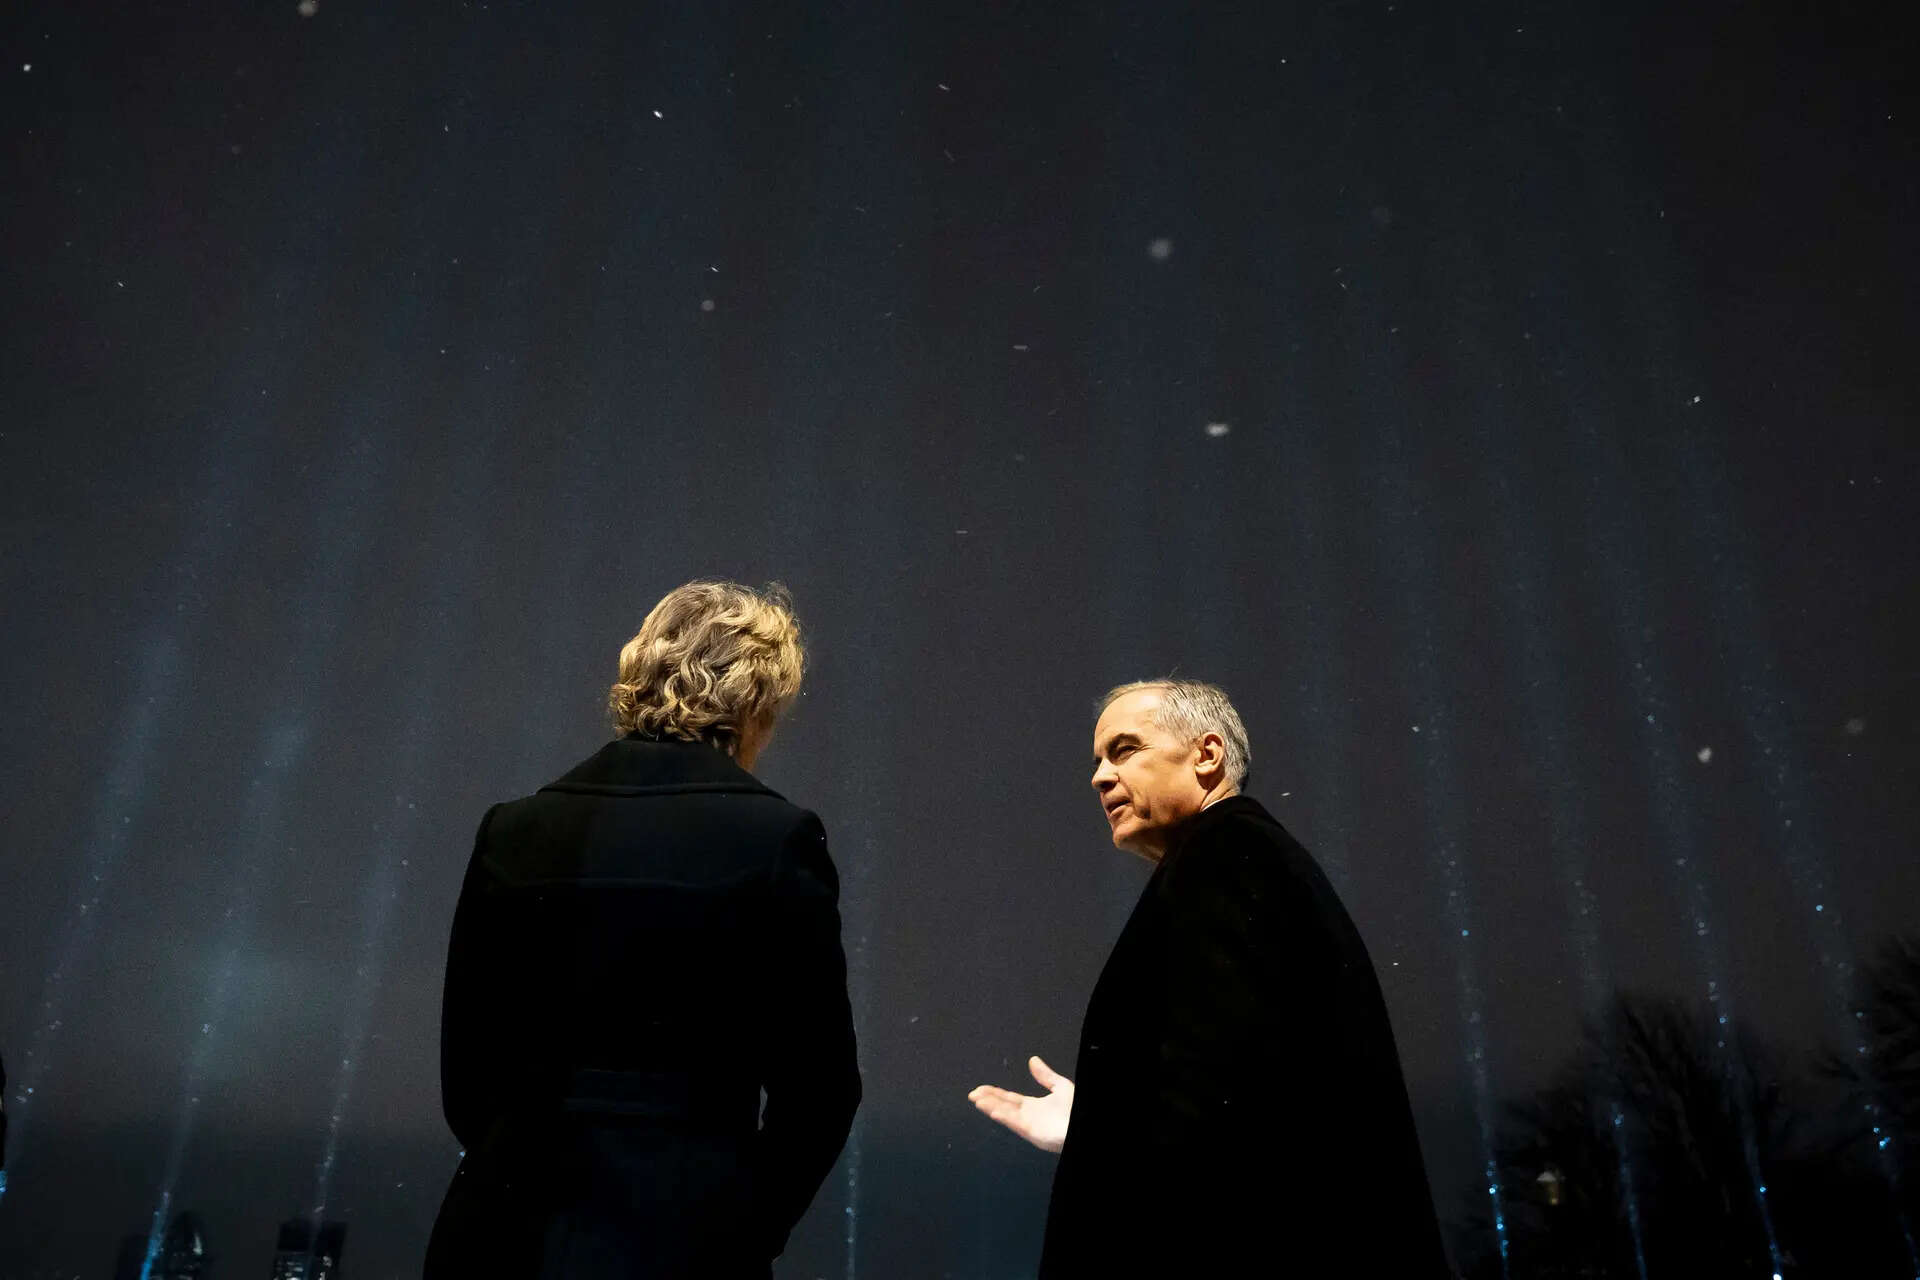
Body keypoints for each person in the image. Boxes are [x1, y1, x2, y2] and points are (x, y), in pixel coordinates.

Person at [426, 580, 860, 1279]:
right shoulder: (777, 839)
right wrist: (741, 1229)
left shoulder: (513, 830)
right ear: (754, 704)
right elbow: (822, 1090)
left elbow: (467, 1074)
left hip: (500, 1233)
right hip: (683, 1236)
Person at [969, 680, 1449, 1276]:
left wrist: (1103, 1131)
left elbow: (1216, 1114)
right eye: (1098, 759)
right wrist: (1099, 1117)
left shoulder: (1226, 858)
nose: (1099, 776)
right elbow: (1245, 1090)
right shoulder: (1239, 859)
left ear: (1206, 755)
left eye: (1124, 750)